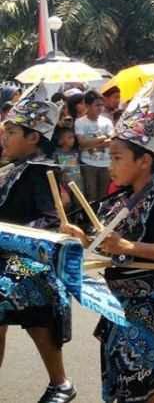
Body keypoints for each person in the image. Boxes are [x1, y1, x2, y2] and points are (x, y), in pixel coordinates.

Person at [60, 104, 154, 403]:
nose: (111, 165)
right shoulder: (117, 201)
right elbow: (107, 248)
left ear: (144, 160)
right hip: (116, 304)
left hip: (145, 308)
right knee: (131, 392)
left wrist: (128, 247)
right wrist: (83, 239)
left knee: (138, 391)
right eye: (110, 157)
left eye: (118, 158)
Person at [0, 86, 78, 402]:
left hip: (27, 261)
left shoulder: (40, 169)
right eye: (4, 131)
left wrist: (14, 235)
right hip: (5, 258)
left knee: (38, 324)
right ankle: (60, 382)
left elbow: (50, 217)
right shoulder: (11, 168)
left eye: (12, 131)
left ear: (34, 137)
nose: (5, 137)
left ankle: (61, 382)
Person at [74, 90, 113, 203]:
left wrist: (89, 143)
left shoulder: (107, 122)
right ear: (88, 106)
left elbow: (111, 140)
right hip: (88, 163)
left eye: (101, 105)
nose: (100, 108)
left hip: (105, 163)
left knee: (103, 196)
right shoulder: (80, 123)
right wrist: (102, 138)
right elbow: (82, 142)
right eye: (97, 105)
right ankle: (90, 220)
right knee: (91, 196)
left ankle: (100, 219)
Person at [52, 127, 84, 203]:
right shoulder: (56, 154)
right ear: (61, 140)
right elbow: (52, 170)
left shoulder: (76, 152)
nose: (73, 139)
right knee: (67, 203)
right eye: (69, 137)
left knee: (79, 202)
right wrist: (61, 170)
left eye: (73, 137)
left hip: (78, 182)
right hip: (64, 184)